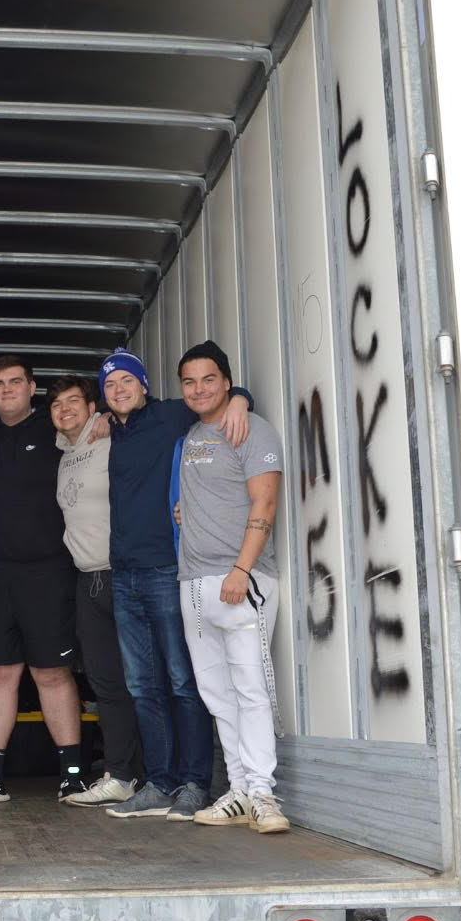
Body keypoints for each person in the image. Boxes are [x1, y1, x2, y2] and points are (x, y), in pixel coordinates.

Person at [99, 347, 251, 823]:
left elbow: (216, 400)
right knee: (143, 686)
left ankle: (194, 784)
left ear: (144, 386)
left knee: (184, 683)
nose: (120, 389)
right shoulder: (111, 432)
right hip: (124, 575)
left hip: (168, 570)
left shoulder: (169, 416)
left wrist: (242, 397)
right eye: (110, 384)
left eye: (128, 381)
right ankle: (159, 782)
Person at [172, 341, 290, 834]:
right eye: (189, 382)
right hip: (193, 585)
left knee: (251, 690)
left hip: (241, 580)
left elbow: (264, 504)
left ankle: (264, 793)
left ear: (226, 382)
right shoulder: (193, 435)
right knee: (216, 695)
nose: (199, 389)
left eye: (208, 380)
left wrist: (242, 570)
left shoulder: (252, 429)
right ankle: (238, 789)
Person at [0, 356, 91, 805]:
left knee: (51, 672)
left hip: (47, 571)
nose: (6, 390)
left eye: (15, 382)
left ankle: (72, 774)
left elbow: (105, 422)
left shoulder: (56, 431)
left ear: (32, 387)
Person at [49, 375, 142, 806]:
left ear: (92, 407)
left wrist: (238, 399)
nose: (64, 409)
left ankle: (160, 775)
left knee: (145, 680)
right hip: (88, 579)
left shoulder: (112, 437)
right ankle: (120, 775)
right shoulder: (64, 451)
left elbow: (151, 414)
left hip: (123, 574)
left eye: (74, 401)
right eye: (57, 404)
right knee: (106, 684)